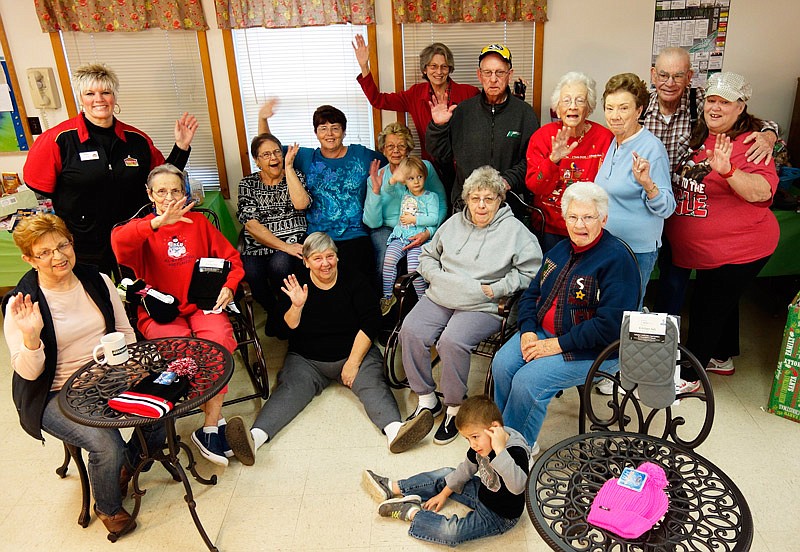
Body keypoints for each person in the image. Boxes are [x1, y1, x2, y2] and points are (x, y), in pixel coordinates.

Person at [3, 213, 165, 537]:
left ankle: (125, 466)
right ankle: (106, 505)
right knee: (106, 443)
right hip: (53, 392)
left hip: (108, 374)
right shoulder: (21, 304)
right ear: (29, 259)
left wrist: (129, 364)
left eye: (62, 245)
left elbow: (122, 329)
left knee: (162, 405)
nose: (58, 256)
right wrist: (32, 337)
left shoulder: (96, 279)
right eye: (45, 252)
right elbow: (29, 372)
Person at [223, 232, 434, 466]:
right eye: (317, 258)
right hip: (307, 358)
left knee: (373, 384)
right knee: (290, 390)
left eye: (330, 256)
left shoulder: (354, 279)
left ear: (337, 257)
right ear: (306, 261)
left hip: (353, 352)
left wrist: (353, 363)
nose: (325, 263)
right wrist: (296, 306)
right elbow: (282, 330)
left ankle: (396, 432)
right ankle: (254, 439)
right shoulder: (294, 284)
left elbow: (371, 322)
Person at [111, 164, 244, 467]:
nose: (170, 197)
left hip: (201, 304)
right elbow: (118, 245)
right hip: (161, 311)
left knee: (219, 340)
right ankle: (214, 423)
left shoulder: (198, 222)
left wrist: (229, 286)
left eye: (175, 190)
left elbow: (232, 260)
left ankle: (210, 424)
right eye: (162, 191)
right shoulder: (141, 230)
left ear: (184, 192)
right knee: (184, 350)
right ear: (150, 194)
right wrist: (156, 223)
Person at [491, 182, 640, 453]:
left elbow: (610, 326)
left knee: (528, 381)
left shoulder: (617, 260)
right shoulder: (559, 250)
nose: (579, 224)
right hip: (543, 334)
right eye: (573, 217)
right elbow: (531, 294)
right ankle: (503, 438)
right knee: (502, 364)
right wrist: (527, 330)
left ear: (603, 219)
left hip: (595, 350)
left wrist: (555, 345)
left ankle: (517, 452)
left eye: (588, 217)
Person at [399, 166, 542, 446]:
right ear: (466, 199)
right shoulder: (453, 223)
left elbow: (531, 273)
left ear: (500, 200)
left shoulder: (515, 231)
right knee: (411, 330)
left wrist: (498, 288)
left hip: (482, 303)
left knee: (452, 341)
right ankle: (428, 399)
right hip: (442, 294)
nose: (481, 205)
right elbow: (427, 256)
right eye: (475, 198)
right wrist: (436, 276)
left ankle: (454, 407)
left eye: (488, 199)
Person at [23, 63, 198, 277]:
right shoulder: (57, 140)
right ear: (80, 98)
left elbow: (163, 179)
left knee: (140, 294)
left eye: (105, 92)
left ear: (114, 97)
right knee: (96, 301)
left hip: (133, 236)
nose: (99, 99)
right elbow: (39, 188)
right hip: (84, 243)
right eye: (90, 93)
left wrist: (181, 147)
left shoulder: (137, 140)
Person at [643, 47, 778, 316]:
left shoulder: (703, 99)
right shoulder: (639, 104)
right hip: (651, 203)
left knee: (675, 282)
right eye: (663, 75)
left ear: (690, 76)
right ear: (653, 75)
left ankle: (670, 342)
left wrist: (769, 135)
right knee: (653, 278)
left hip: (684, 207)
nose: (670, 83)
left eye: (678, 75)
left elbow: (750, 116)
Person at [665, 72, 779, 388]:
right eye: (712, 100)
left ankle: (690, 377)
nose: (716, 107)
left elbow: (761, 191)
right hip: (707, 250)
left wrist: (728, 170)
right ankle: (722, 357)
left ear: (740, 107)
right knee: (721, 301)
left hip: (740, 248)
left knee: (707, 308)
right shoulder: (703, 132)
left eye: (725, 102)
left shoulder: (752, 142)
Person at [361, 395, 530, 547]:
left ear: (494, 428)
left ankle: (412, 512)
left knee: (452, 533)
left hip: (500, 515)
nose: (472, 444)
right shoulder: (479, 446)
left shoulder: (515, 451)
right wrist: (444, 493)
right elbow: (466, 469)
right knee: (448, 473)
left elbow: (518, 487)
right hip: (483, 492)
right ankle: (392, 487)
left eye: (475, 437)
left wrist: (500, 451)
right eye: (467, 439)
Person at [258, 101, 385, 280]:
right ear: (316, 132)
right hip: (316, 235)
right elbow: (268, 147)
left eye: (335, 128)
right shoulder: (306, 157)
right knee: (308, 282)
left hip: (354, 234)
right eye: (323, 128)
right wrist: (262, 118)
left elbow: (394, 159)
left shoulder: (361, 155)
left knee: (358, 280)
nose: (329, 134)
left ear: (344, 131)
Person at [352, 35, 479, 199]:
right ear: (425, 69)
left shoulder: (468, 93)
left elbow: (491, 108)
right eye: (433, 66)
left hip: (463, 168)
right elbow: (378, 100)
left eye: (444, 66)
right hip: (431, 169)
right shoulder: (415, 94)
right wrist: (364, 66)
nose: (439, 72)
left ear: (450, 68)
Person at [426, 44, 539, 215]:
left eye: (500, 72)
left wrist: (508, 180)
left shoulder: (525, 113)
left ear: (510, 74)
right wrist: (438, 127)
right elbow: (442, 154)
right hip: (467, 204)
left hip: (508, 204)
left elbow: (532, 160)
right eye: (487, 73)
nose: (493, 79)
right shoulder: (463, 110)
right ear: (479, 75)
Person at [594, 73, 675, 304]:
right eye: (609, 108)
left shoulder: (651, 148)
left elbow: (667, 208)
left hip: (636, 251)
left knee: (627, 311)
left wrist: (648, 184)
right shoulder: (615, 141)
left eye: (623, 108)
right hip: (609, 245)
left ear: (639, 110)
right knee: (608, 309)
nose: (614, 116)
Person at [526, 72, 613, 252]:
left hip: (590, 227)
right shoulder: (542, 137)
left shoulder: (605, 138)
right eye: (566, 101)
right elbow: (535, 186)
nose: (572, 106)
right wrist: (553, 160)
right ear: (557, 107)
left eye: (580, 100)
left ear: (588, 107)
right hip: (550, 228)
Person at [237, 133, 311, 339]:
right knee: (250, 273)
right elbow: (251, 225)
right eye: (266, 154)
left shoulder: (295, 176)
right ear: (257, 160)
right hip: (259, 244)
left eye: (277, 152)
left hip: (293, 240)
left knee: (279, 266)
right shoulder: (247, 184)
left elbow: (301, 204)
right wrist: (283, 246)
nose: (273, 158)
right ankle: (276, 312)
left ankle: (285, 315)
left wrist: (288, 169)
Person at [362, 122, 448, 288]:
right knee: (383, 262)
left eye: (401, 146)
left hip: (421, 226)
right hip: (388, 228)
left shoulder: (424, 169)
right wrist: (376, 191)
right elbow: (373, 223)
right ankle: (386, 304)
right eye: (390, 146)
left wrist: (429, 232)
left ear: (408, 148)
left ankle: (422, 304)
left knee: (425, 264)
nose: (396, 150)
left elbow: (441, 203)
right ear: (383, 149)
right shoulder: (377, 177)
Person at [378, 156, 443, 314]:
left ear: (425, 177)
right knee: (389, 260)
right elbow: (387, 190)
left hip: (419, 239)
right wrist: (394, 179)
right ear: (405, 181)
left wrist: (415, 219)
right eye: (411, 178)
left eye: (419, 177)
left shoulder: (431, 197)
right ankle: (387, 297)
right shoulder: (404, 194)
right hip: (400, 236)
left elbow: (434, 218)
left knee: (414, 267)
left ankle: (424, 300)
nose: (416, 182)